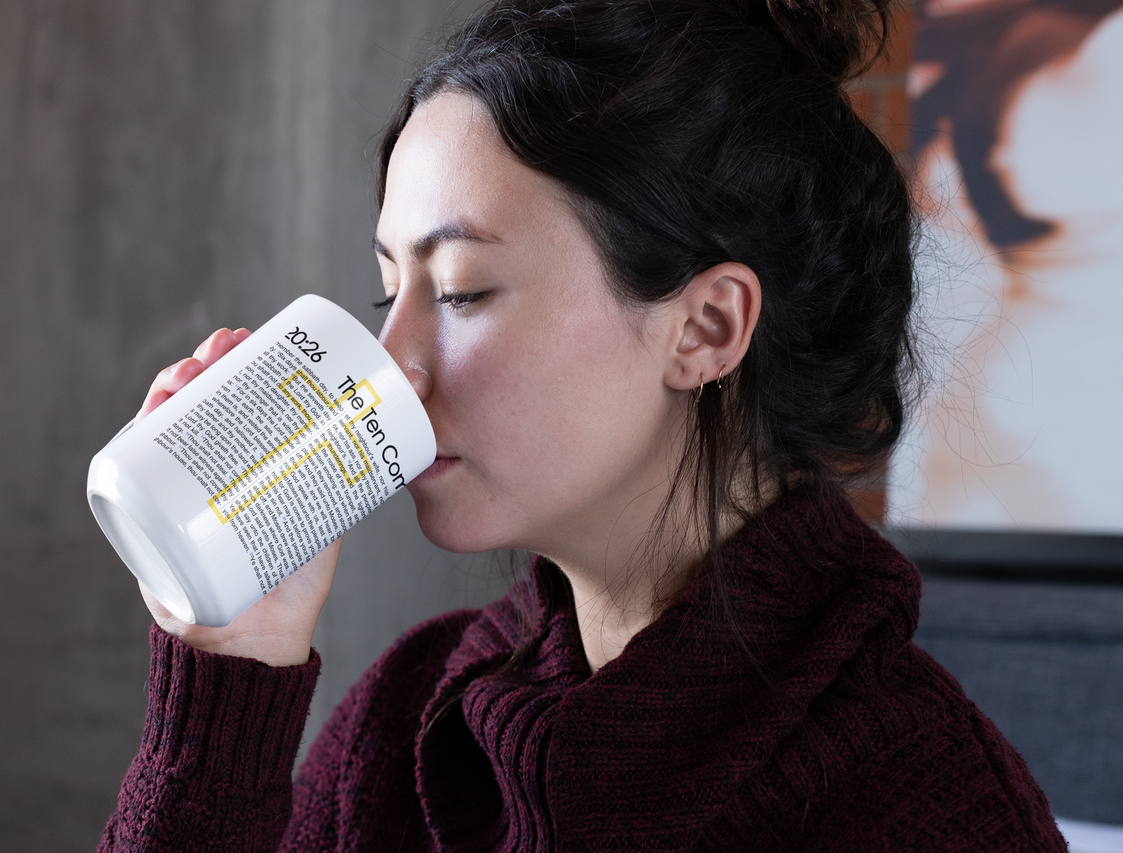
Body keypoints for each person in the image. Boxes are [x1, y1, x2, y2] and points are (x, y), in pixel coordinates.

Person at [100, 1, 1067, 850]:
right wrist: (227, 675)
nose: (393, 358)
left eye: (464, 290)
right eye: (391, 287)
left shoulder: (922, 803)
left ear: (706, 327)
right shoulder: (410, 723)